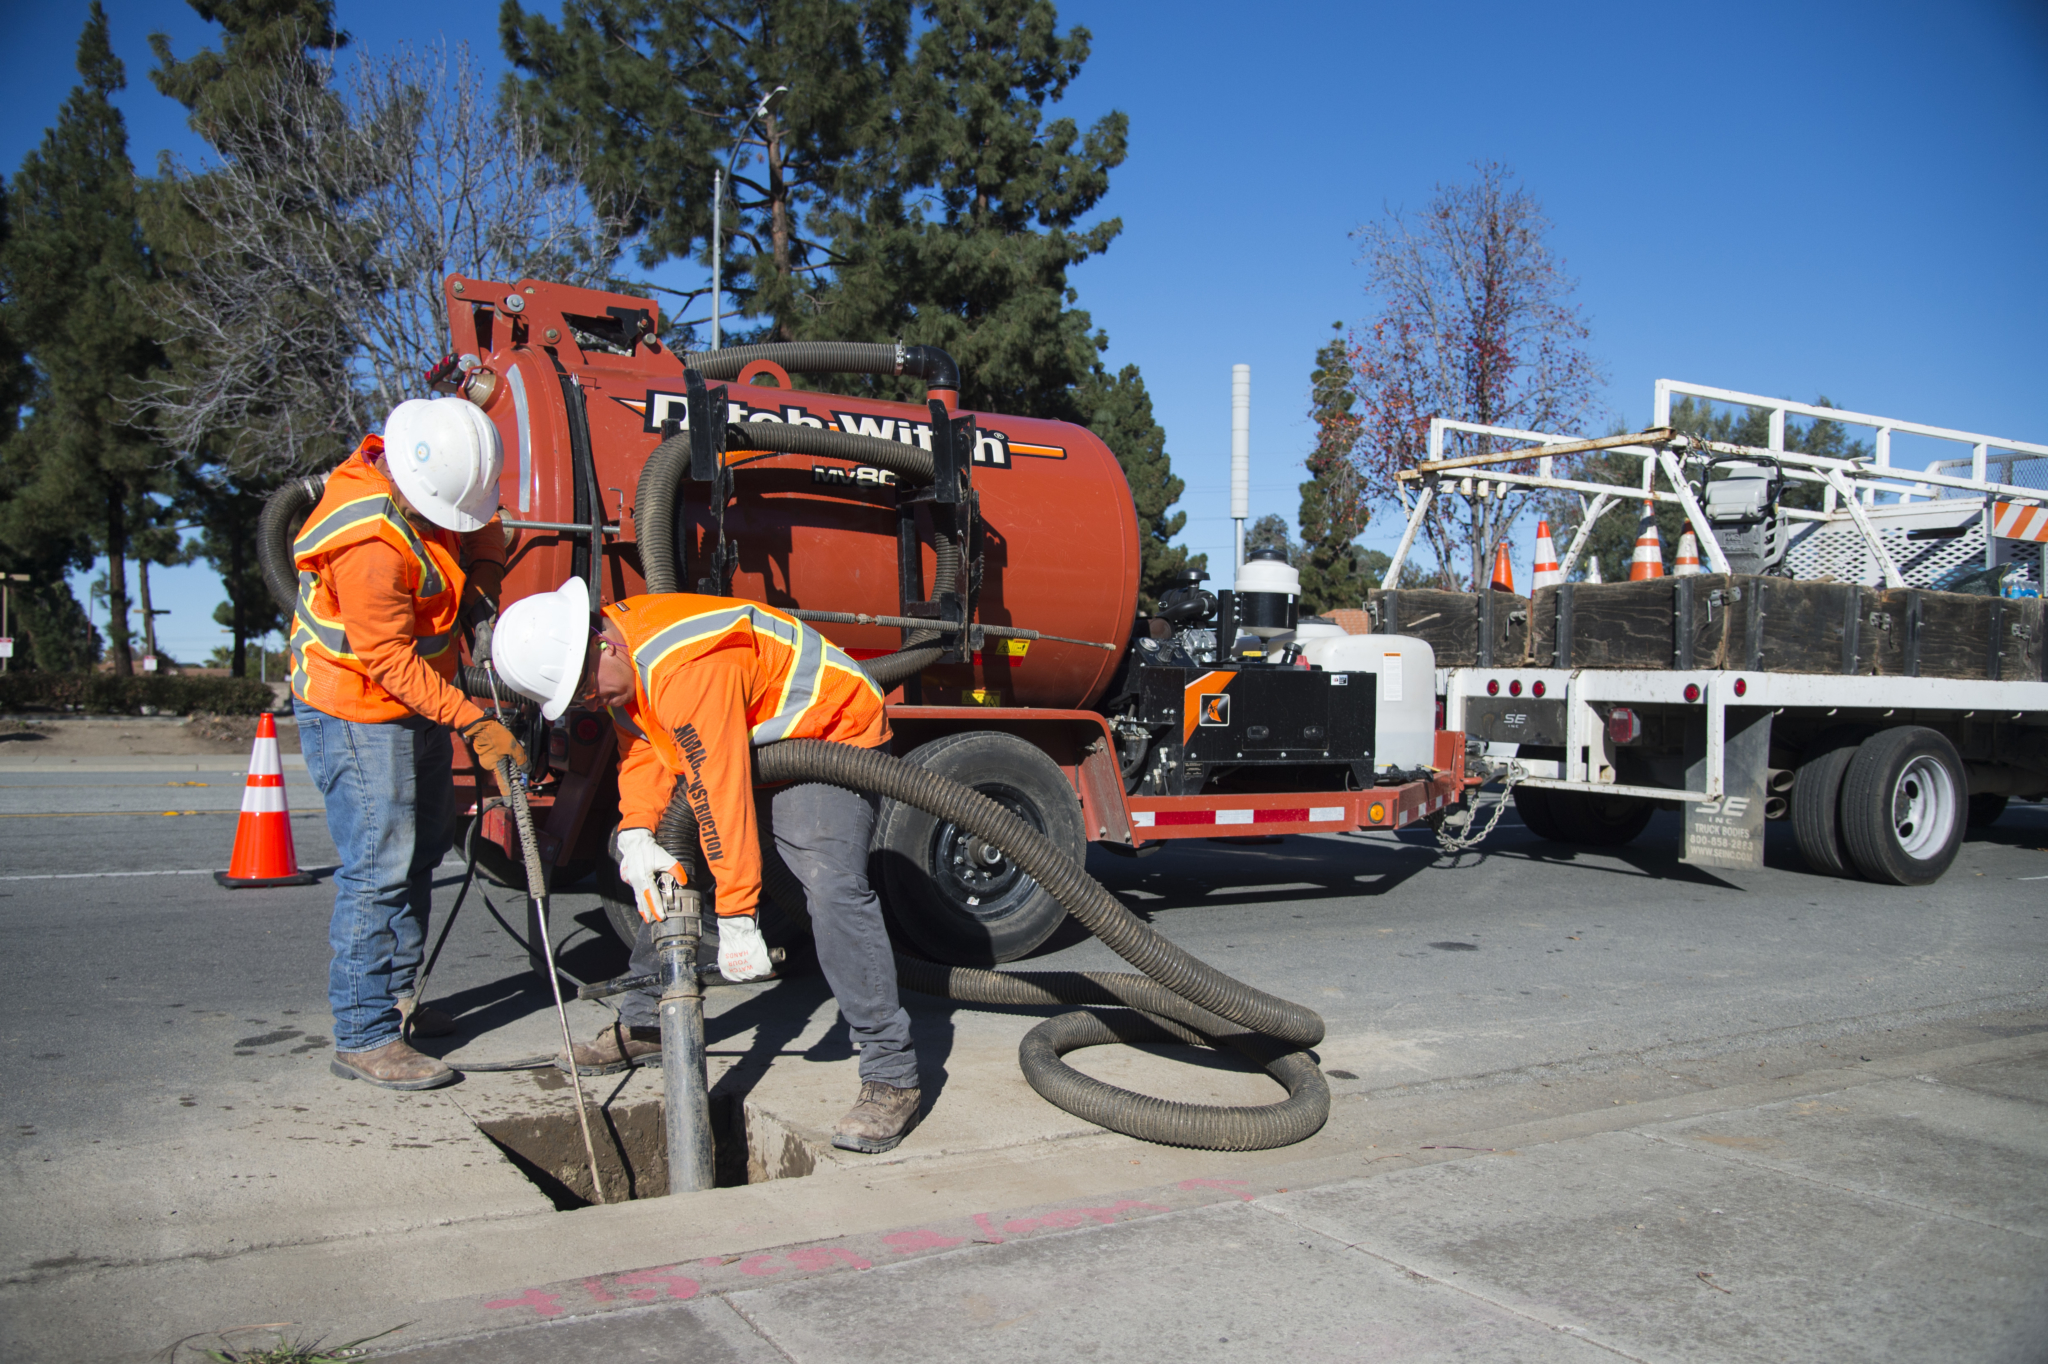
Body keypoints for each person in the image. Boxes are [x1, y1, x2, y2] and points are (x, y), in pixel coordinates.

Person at [492, 579, 922, 1154]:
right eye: (579, 703)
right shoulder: (619, 654)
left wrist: (739, 913)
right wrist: (640, 828)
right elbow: (644, 744)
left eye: (589, 692)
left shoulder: (684, 667)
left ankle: (891, 1073)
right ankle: (646, 1022)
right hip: (747, 740)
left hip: (826, 734)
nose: (593, 704)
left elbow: (719, 792)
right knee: (658, 861)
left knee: (829, 883)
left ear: (604, 646)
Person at [290, 397, 527, 1091]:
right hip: (357, 710)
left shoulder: (440, 479)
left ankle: (398, 1001)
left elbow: (486, 521)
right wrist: (475, 721)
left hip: (417, 698)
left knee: (423, 847)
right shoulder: (368, 543)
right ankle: (363, 1034)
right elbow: (389, 662)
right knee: (379, 865)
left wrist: (483, 573)